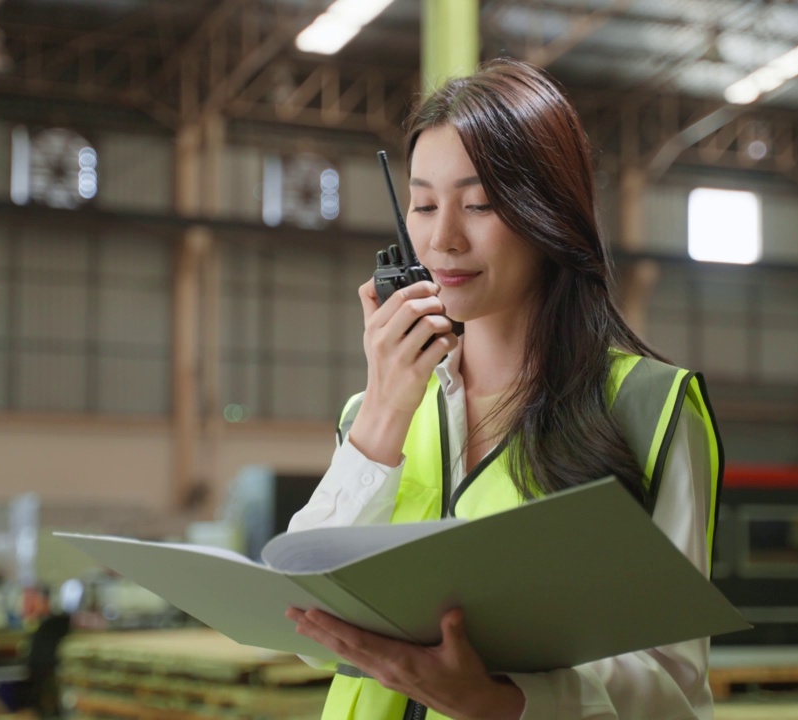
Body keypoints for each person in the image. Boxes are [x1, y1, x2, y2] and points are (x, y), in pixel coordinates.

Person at [286, 58, 724, 720]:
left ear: (548, 209)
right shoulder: (374, 411)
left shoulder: (648, 410)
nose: (442, 238)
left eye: (480, 203)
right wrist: (383, 410)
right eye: (425, 204)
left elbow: (676, 695)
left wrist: (506, 704)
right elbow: (312, 632)